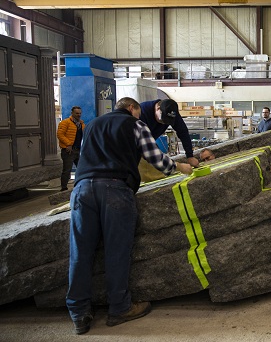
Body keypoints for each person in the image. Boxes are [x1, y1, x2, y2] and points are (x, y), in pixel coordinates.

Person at [66, 97, 193, 335]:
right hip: (115, 189)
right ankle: (120, 308)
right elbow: (156, 160)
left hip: (82, 190)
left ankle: (79, 313)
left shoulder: (92, 124)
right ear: (133, 109)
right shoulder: (135, 125)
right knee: (117, 251)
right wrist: (180, 167)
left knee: (80, 253)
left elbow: (83, 158)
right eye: (138, 113)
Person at [139, 99, 200, 168]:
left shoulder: (172, 112)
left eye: (167, 121)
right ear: (158, 108)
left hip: (150, 141)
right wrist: (178, 167)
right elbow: (145, 143)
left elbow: (183, 132)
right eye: (163, 120)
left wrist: (190, 156)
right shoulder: (142, 112)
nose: (164, 123)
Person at [57, 106, 85, 191]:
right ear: (72, 113)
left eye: (80, 113)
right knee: (67, 170)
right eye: (77, 113)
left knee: (82, 168)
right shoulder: (65, 123)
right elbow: (60, 134)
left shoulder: (81, 124)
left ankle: (80, 185)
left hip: (78, 150)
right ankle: (64, 187)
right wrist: (68, 144)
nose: (79, 115)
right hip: (68, 151)